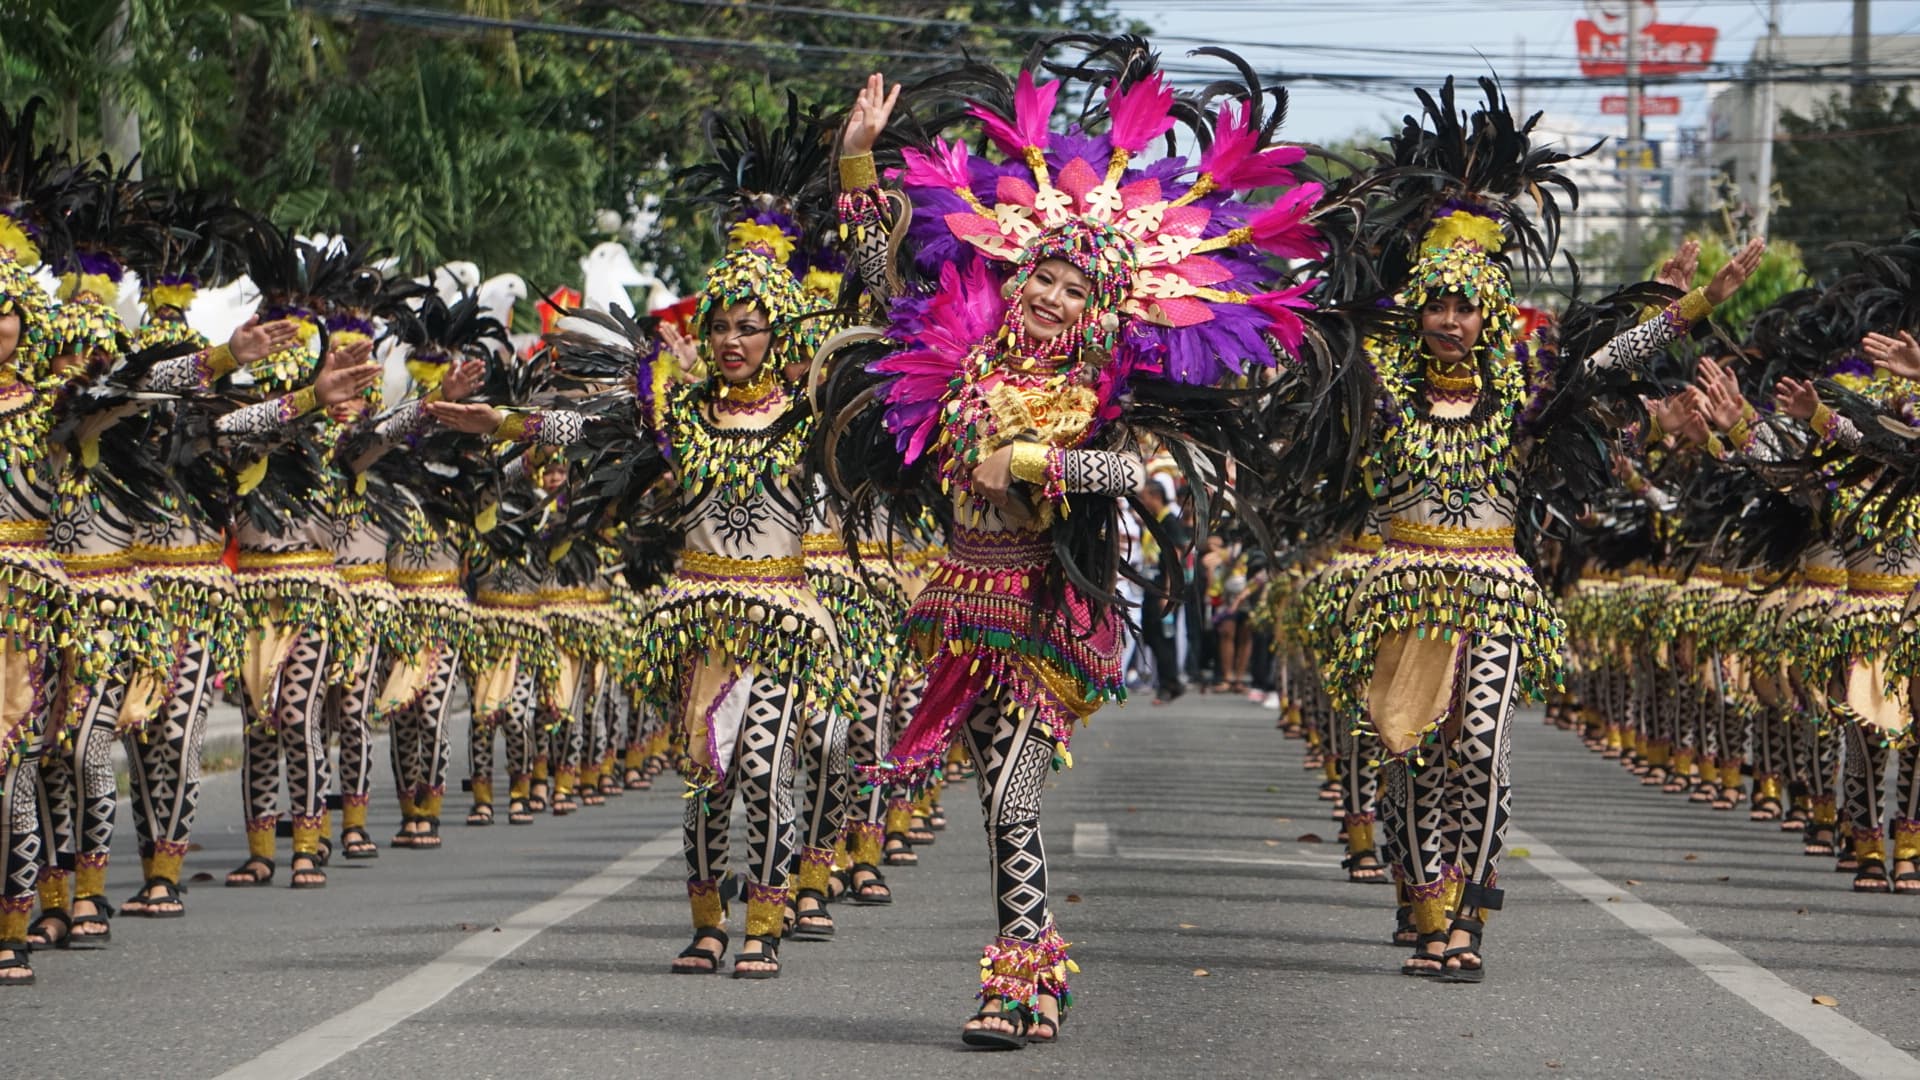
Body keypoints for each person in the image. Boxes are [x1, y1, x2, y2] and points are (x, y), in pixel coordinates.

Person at [825, 44, 1323, 1046]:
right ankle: (1034, 954)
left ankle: (1017, 983)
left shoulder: (1097, 396)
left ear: (1099, 313)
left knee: (1011, 799)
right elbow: (879, 289)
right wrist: (855, 165)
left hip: (1048, 613)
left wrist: (1041, 467)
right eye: (1039, 278)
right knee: (995, 807)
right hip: (962, 605)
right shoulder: (956, 354)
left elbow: (1132, 474)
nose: (1047, 296)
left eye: (1070, 289)